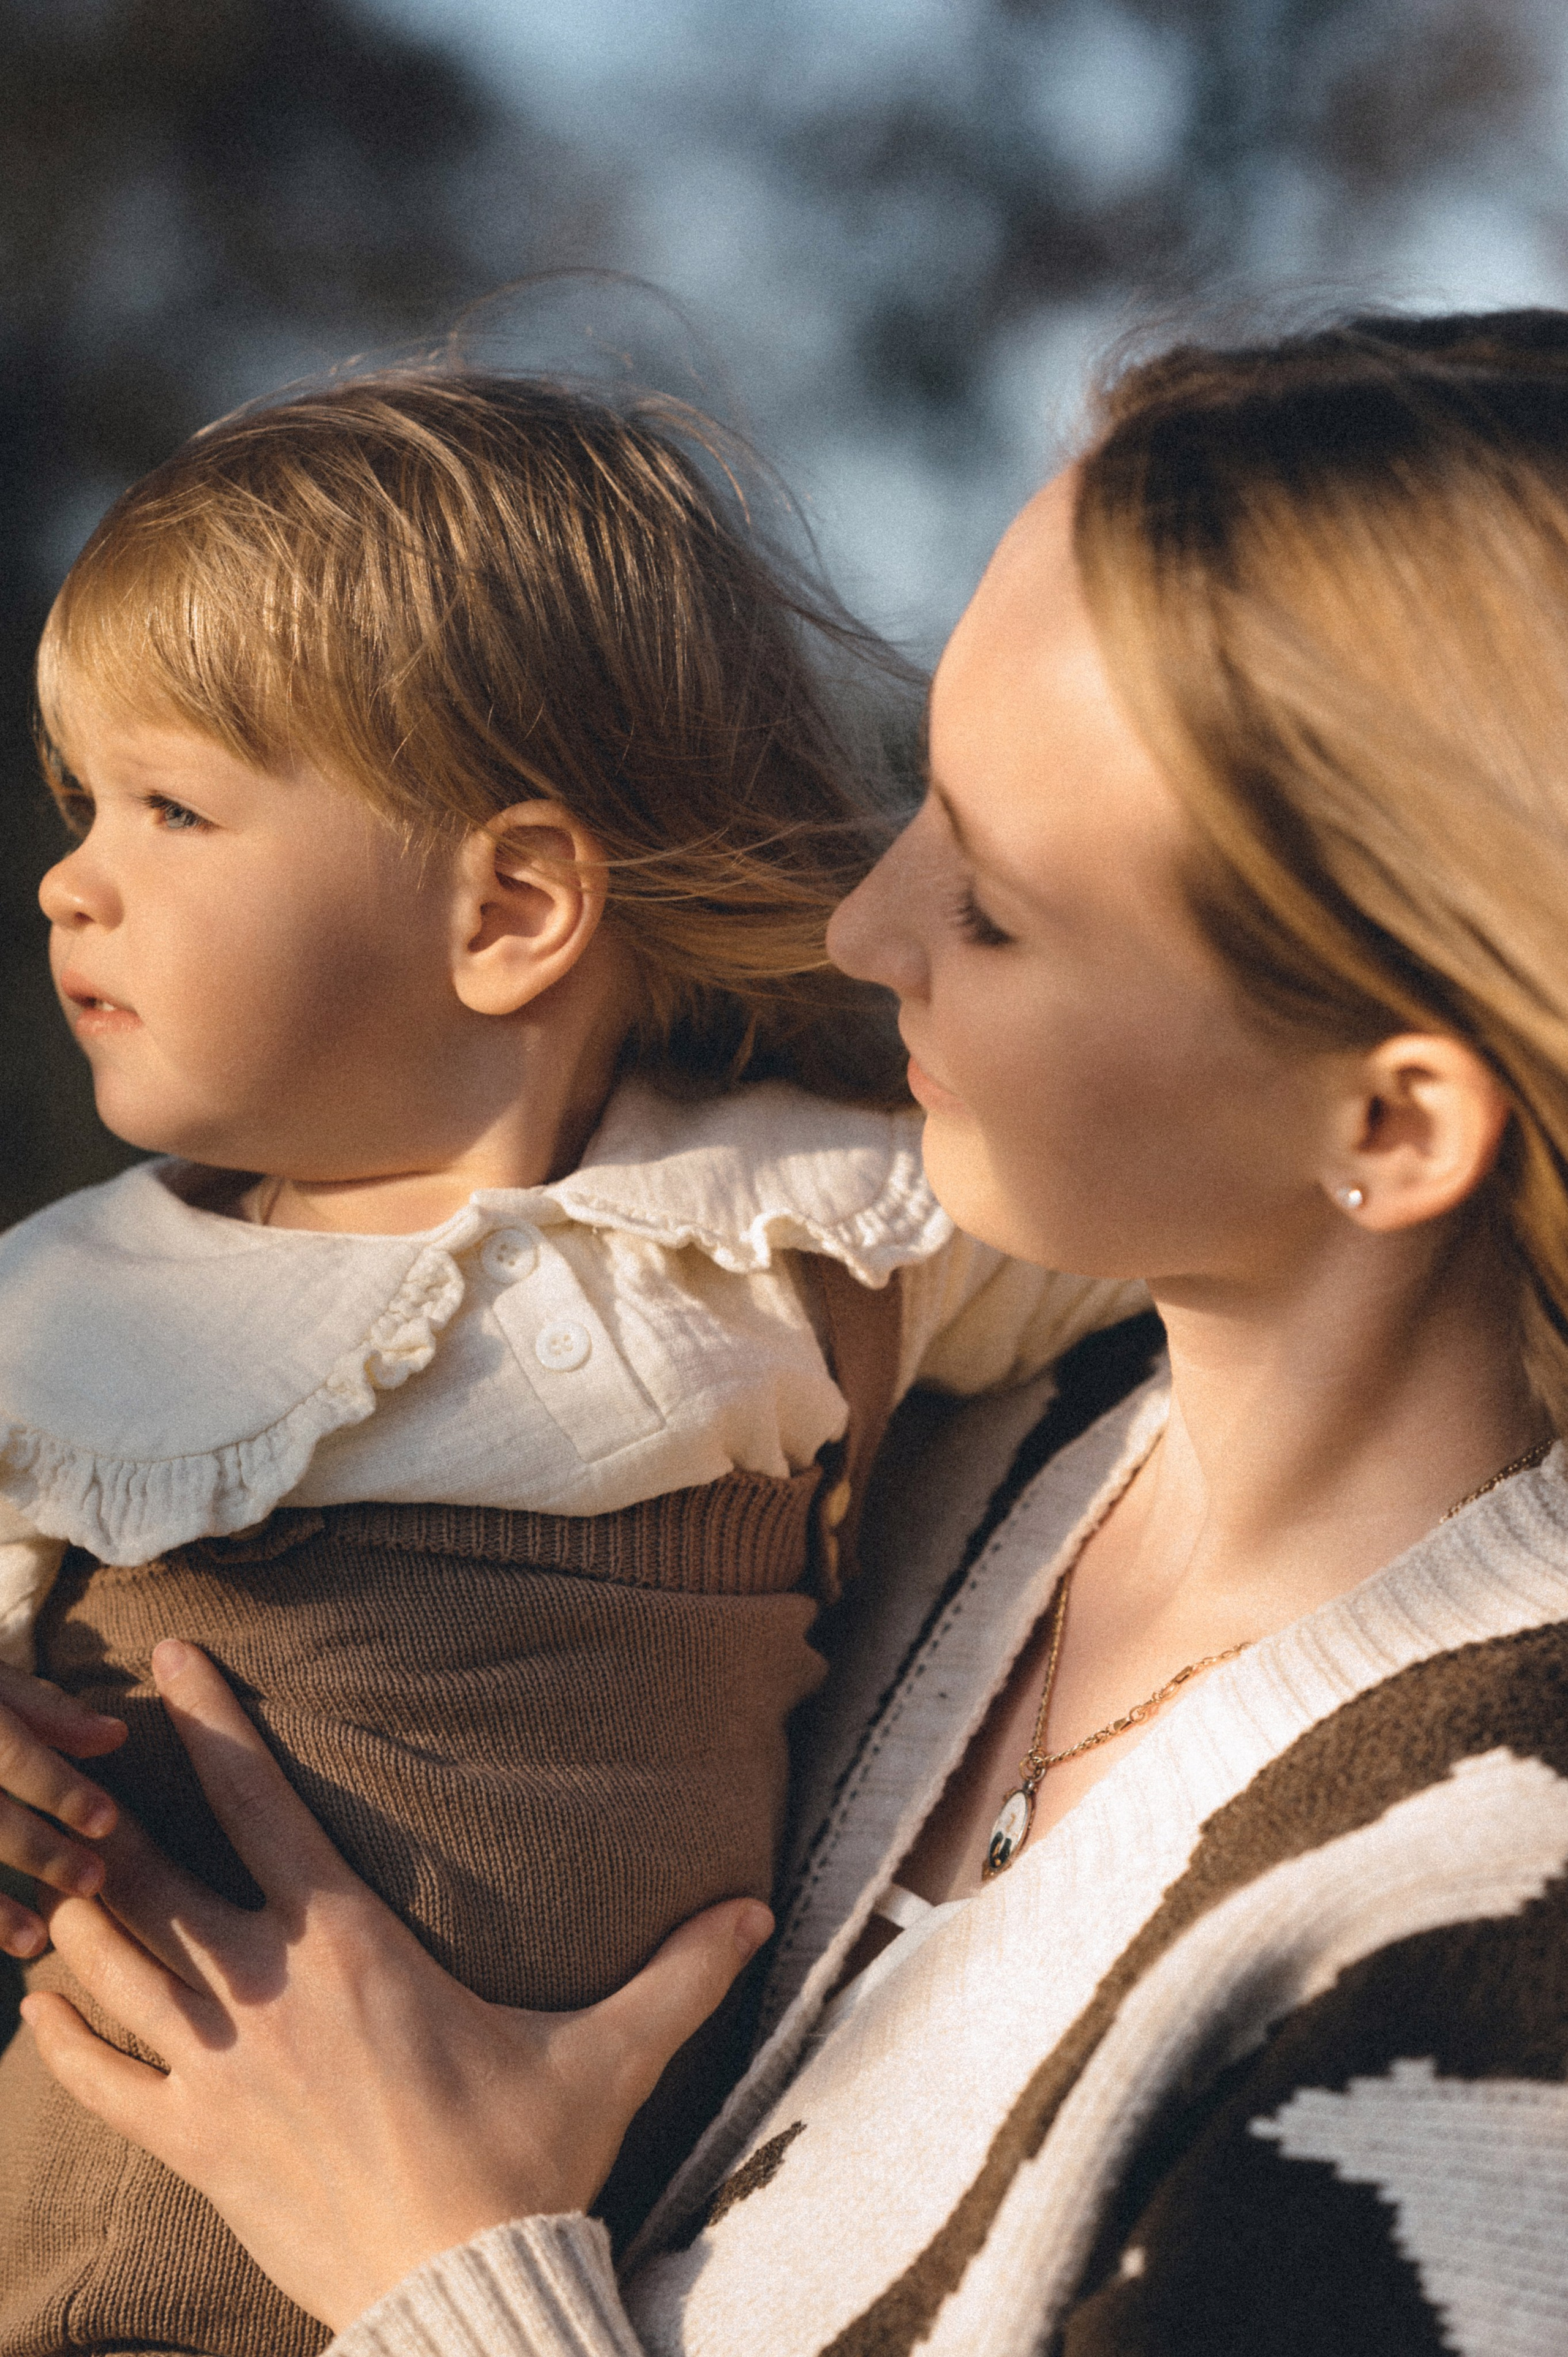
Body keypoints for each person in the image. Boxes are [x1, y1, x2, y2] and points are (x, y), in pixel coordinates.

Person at [19, 307, 1568, 2355]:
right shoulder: (891, 1425)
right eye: (923, 796)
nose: (862, 928)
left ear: (1389, 1121)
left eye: (995, 906)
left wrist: (441, 2269)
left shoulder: (1481, 1979)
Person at [0, 374, 1141, 2356]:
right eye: (80, 804)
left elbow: (1177, 1227)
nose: (68, 879)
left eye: (169, 810)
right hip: (100, 2276)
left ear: (511, 907)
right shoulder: (70, 1311)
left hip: (555, 2274)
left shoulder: (807, 1228)